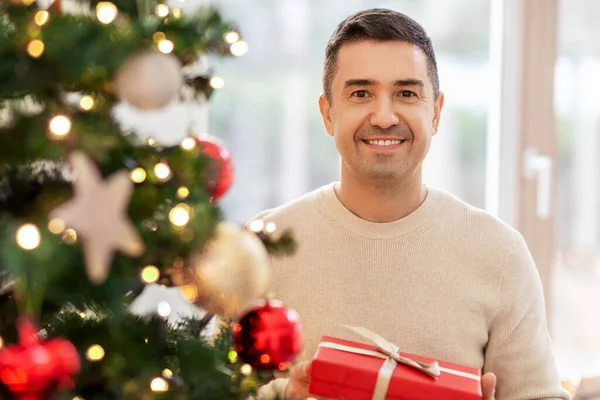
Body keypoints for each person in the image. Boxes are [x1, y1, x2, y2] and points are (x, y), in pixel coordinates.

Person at [251, 8, 570, 400]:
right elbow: (202, 386)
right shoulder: (261, 250)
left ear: (435, 113)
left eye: (406, 93)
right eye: (361, 93)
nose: (384, 117)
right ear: (327, 114)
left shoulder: (499, 253)